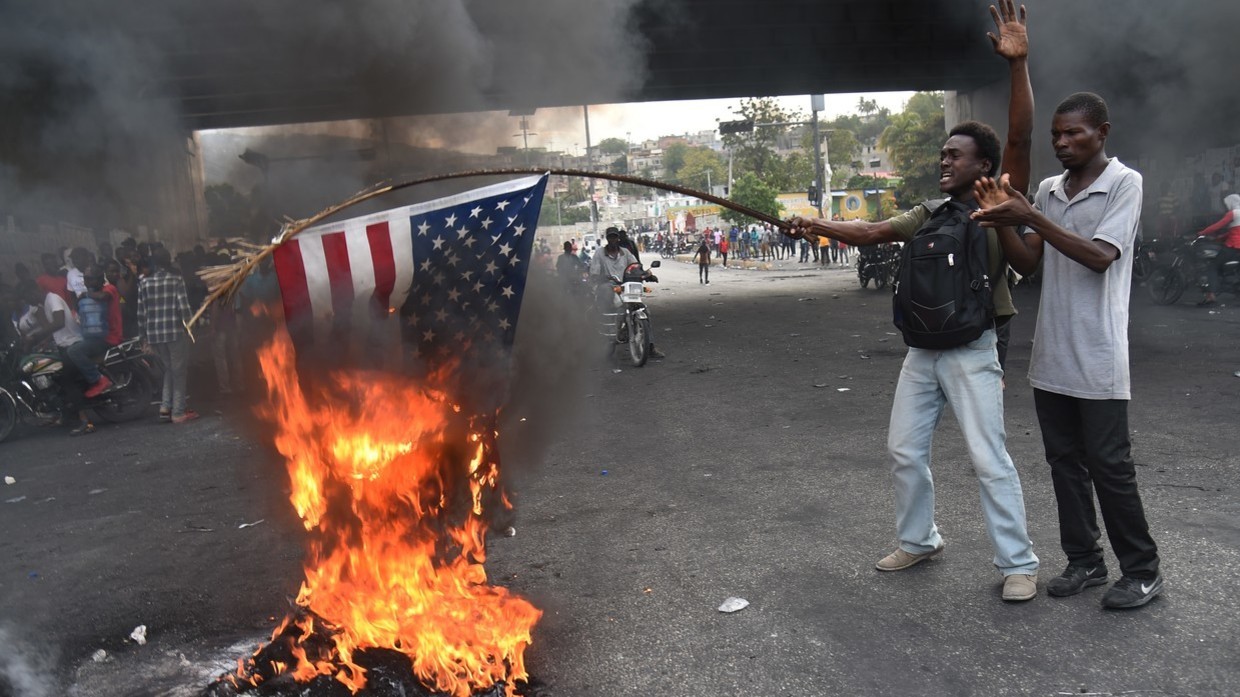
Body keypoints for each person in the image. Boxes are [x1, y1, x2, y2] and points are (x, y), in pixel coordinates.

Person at [787, 0, 1039, 602]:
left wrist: (1017, 65)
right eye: (944, 154)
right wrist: (814, 224)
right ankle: (919, 539)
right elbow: (871, 234)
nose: (944, 160)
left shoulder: (1000, 200)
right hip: (921, 351)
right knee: (904, 450)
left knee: (988, 458)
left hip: (973, 349)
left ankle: (1018, 564)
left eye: (955, 155)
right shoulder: (930, 212)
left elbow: (1023, 135)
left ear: (984, 164)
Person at [971, 91, 1164, 609]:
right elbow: (1029, 265)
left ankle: (1142, 570)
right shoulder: (1052, 190)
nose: (1061, 142)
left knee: (1110, 466)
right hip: (1052, 356)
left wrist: (1031, 214)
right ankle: (1085, 560)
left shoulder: (1124, 183)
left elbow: (1099, 256)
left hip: (1099, 355)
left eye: (1074, 133)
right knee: (1064, 463)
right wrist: (1006, 221)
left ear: (1102, 132)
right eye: (1056, 134)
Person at [138, 248, 198, 424]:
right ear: (169, 261)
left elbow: (141, 313)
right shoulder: (176, 280)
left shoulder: (144, 283)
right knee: (179, 372)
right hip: (174, 333)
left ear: (154, 263)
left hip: (155, 335)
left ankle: (165, 408)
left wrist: (143, 337)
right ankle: (178, 412)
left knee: (169, 369)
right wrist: (191, 327)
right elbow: (183, 309)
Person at [1193, 193, 1240, 306]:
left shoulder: (1233, 213)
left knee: (1212, 266)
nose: (1225, 206)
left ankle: (1211, 296)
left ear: (1230, 202)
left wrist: (1202, 233)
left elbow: (1218, 225)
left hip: (1233, 246)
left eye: (1226, 204)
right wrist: (1219, 238)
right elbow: (1234, 231)